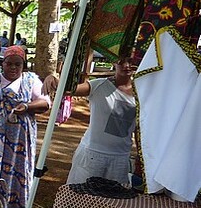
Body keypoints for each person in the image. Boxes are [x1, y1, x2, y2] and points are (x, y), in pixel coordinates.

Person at [0, 45, 51, 208]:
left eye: (18, 64)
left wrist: (28, 106)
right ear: (3, 63)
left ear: (23, 66)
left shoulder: (31, 81)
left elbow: (45, 103)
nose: (13, 68)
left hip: (18, 144)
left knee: (17, 174)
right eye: (9, 64)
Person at [43, 57, 136, 185]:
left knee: (112, 201)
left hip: (120, 158)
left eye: (131, 62)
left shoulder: (141, 92)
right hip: (93, 155)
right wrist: (52, 79)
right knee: (80, 198)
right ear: (114, 62)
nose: (126, 65)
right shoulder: (99, 85)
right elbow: (69, 90)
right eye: (121, 61)